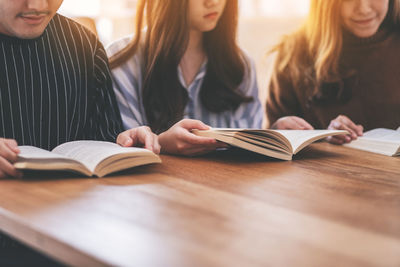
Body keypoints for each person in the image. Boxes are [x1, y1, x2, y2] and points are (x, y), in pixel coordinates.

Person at [0, 0, 159, 264]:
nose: (39, 5)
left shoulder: (84, 45)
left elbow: (103, 148)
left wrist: (127, 144)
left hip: (75, 241)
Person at [108, 0, 263, 156]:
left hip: (230, 179)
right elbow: (118, 150)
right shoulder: (122, 61)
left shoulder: (241, 65)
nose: (214, 2)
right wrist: (161, 144)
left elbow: (254, 144)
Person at [266, 0, 400, 144]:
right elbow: (270, 146)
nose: (363, 9)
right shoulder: (293, 53)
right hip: (317, 166)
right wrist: (279, 131)